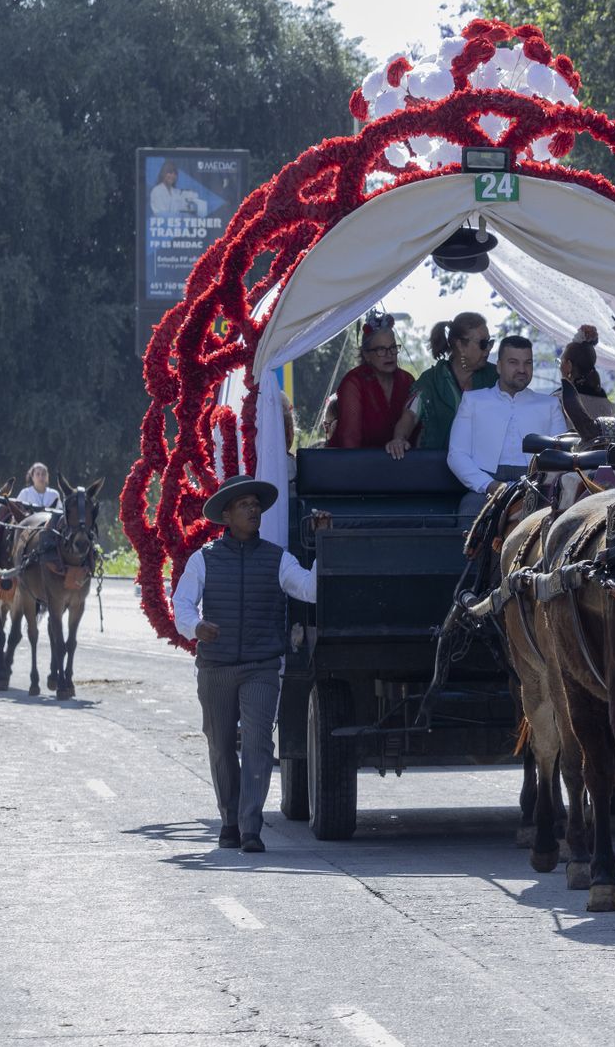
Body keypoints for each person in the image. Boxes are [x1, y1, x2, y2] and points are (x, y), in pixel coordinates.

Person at [171, 475, 329, 852]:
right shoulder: (204, 559)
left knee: (258, 743)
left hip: (261, 666)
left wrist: (325, 543)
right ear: (227, 515)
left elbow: (310, 589)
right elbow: (182, 604)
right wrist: (196, 627)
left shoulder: (278, 558)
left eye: (256, 505)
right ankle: (229, 818)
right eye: (244, 505)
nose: (253, 510)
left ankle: (250, 828)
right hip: (215, 668)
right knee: (221, 745)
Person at [447, 335, 563, 518]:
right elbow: (456, 455)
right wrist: (488, 485)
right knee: (468, 515)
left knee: (558, 519)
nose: (522, 370)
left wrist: (539, 484)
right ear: (499, 366)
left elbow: (560, 455)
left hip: (536, 485)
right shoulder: (473, 401)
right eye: (513, 362)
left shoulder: (549, 405)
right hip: (486, 486)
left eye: (528, 363)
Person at [385, 312, 498, 458]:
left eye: (490, 342)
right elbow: (410, 415)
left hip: (483, 466)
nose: (488, 348)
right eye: (483, 343)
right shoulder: (431, 380)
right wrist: (399, 439)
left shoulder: (496, 377)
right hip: (435, 465)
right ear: (460, 346)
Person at [329, 312, 414, 449]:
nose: (389, 354)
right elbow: (349, 439)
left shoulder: (407, 380)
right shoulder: (353, 383)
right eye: (381, 349)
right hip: (354, 460)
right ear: (366, 355)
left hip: (398, 460)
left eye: (393, 347)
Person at [560, 325, 615, 421]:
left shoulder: (562, 399)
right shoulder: (601, 395)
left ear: (569, 365)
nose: (560, 366)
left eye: (561, 362)